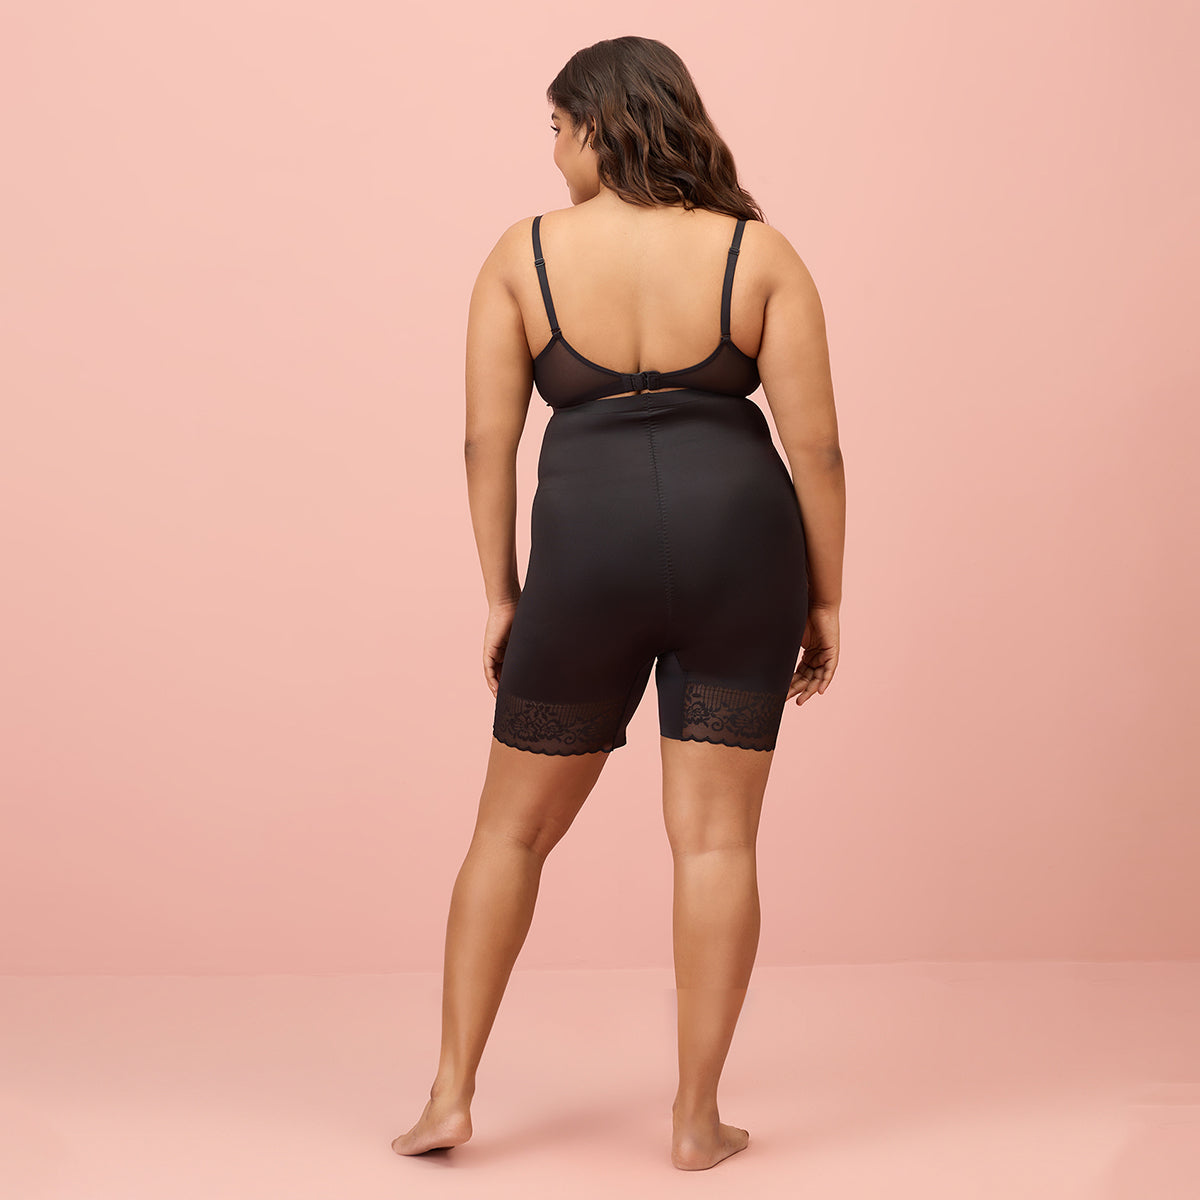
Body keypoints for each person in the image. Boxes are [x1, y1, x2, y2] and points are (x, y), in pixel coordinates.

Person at [393, 35, 844, 1171]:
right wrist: (828, 596)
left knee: (509, 831)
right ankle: (695, 1120)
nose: (552, 151)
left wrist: (502, 593)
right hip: (745, 550)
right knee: (716, 842)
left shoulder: (523, 255)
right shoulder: (757, 252)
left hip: (585, 556)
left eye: (558, 128)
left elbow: (485, 443)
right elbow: (820, 452)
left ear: (601, 124)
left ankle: (449, 1095)